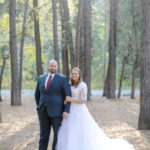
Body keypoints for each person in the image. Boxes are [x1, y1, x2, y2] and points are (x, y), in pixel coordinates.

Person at [56, 68, 135, 150]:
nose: (74, 75)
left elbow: (83, 100)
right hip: (70, 110)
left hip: (79, 110)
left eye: (76, 74)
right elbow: (67, 95)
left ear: (79, 75)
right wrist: (66, 101)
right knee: (69, 129)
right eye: (72, 73)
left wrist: (71, 100)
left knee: (81, 130)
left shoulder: (83, 85)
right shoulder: (69, 84)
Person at [34, 60, 71, 150]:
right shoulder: (41, 78)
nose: (53, 67)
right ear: (48, 66)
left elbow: (68, 96)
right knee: (43, 136)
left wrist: (66, 110)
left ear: (57, 67)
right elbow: (37, 94)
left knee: (57, 136)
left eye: (54, 66)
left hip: (57, 112)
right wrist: (39, 106)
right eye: (51, 66)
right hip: (43, 112)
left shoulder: (63, 79)